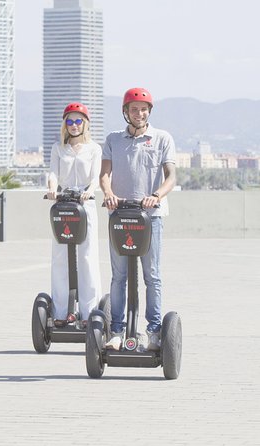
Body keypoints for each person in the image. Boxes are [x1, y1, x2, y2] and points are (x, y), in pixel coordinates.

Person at [99, 87, 177, 351]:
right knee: (118, 276)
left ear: (149, 111)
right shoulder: (112, 139)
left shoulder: (162, 138)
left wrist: (156, 195)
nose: (139, 113)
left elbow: (171, 177)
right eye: (134, 109)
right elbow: (104, 174)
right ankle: (117, 332)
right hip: (119, 214)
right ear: (125, 112)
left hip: (151, 216)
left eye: (143, 109)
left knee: (151, 276)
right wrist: (108, 193)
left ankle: (154, 332)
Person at [46, 102, 102, 327]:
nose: (74, 125)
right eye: (69, 121)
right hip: (63, 205)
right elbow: (53, 173)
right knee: (60, 257)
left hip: (85, 205)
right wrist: (52, 188)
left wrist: (89, 191)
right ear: (65, 124)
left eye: (78, 121)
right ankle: (61, 312)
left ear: (85, 124)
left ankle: (89, 313)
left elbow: (96, 177)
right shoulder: (58, 148)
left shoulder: (94, 149)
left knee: (87, 257)